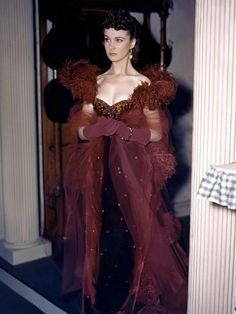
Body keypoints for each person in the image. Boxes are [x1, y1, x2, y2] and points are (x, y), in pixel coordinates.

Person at [59, 9, 188, 314]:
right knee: (99, 233)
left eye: (119, 39)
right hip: (97, 168)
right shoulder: (95, 81)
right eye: (107, 39)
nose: (111, 46)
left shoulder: (145, 85)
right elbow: (79, 126)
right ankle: (105, 299)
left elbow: (158, 133)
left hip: (132, 172)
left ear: (132, 43)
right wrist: (92, 129)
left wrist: (127, 130)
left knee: (129, 234)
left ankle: (129, 297)